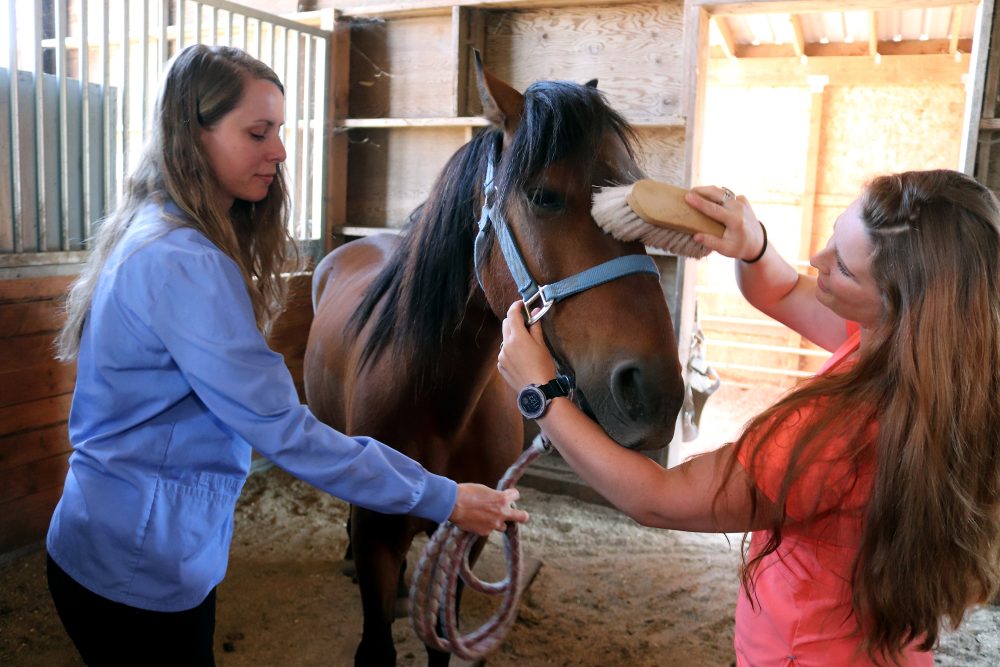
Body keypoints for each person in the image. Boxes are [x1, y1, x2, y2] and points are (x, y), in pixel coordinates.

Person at [46, 44, 527, 666]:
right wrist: (443, 497)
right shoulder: (185, 263)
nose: (277, 150)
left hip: (136, 549)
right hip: (137, 570)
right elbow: (286, 431)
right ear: (193, 137)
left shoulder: (162, 233)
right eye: (256, 132)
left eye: (278, 130)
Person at [498, 169, 1000, 666]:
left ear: (898, 304)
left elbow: (657, 499)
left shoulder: (831, 435)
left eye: (843, 267)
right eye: (833, 235)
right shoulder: (942, 361)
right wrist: (754, 247)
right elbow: (782, 291)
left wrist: (540, 396)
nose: (817, 259)